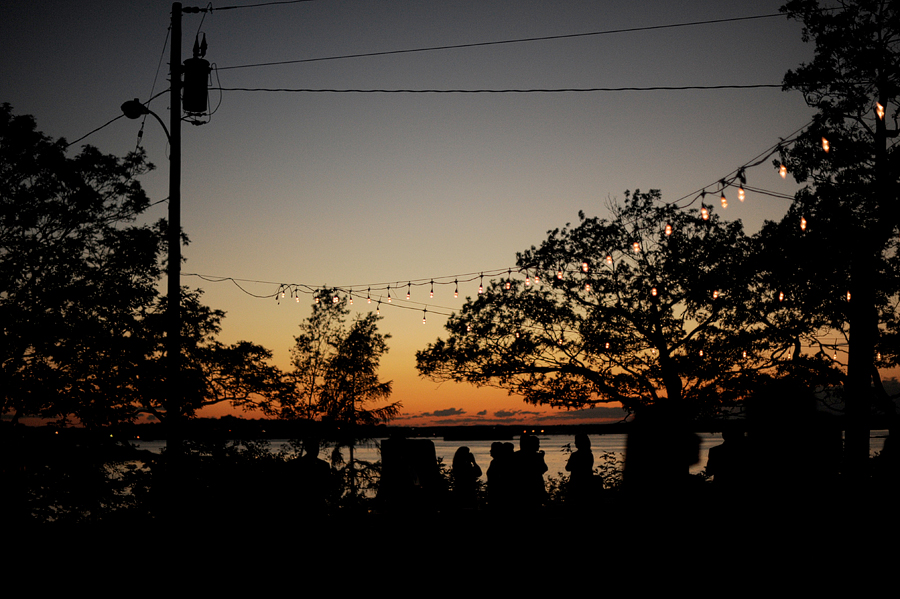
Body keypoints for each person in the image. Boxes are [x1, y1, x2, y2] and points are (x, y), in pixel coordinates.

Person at [565, 433, 594, 509]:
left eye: (576, 441)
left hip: (576, 482)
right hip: (588, 482)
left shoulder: (575, 455)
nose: (575, 443)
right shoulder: (589, 454)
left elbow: (568, 468)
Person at [451, 446, 482, 511]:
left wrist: (473, 462)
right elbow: (478, 473)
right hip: (466, 492)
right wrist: (474, 462)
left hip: (467, 491)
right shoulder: (461, 467)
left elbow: (479, 473)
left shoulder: (464, 465)